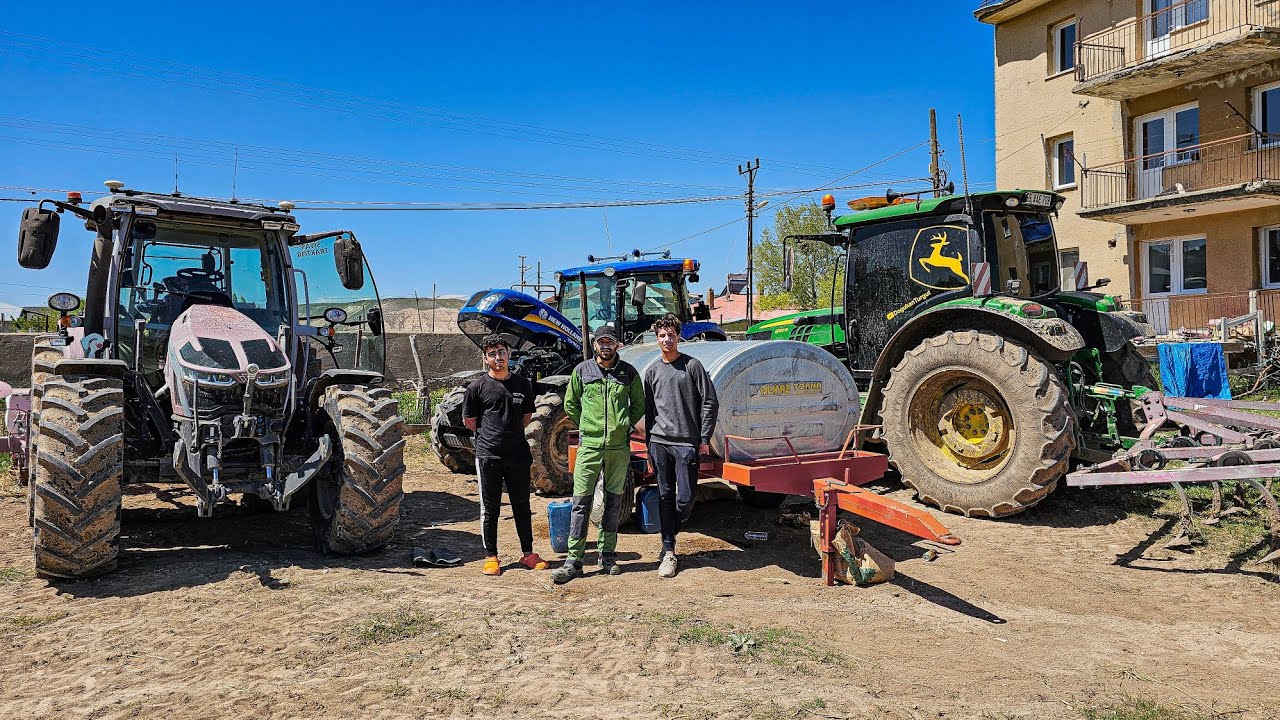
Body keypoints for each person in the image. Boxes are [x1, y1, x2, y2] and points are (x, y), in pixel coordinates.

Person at [551, 324, 645, 584]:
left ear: (617, 345)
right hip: (590, 446)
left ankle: (607, 555)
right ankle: (574, 560)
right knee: (581, 502)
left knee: (613, 502)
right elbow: (571, 403)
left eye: (610, 342)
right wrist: (588, 426)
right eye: (601, 341)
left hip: (617, 448)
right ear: (595, 345)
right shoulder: (582, 371)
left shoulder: (628, 373)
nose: (606, 346)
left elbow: (638, 404)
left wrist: (622, 425)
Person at [462, 333, 549, 576]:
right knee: (490, 509)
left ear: (509, 355)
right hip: (489, 456)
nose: (497, 358)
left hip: (518, 456)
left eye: (501, 352)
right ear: (485, 358)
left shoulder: (523, 385)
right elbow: (470, 421)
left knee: (522, 505)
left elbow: (526, 417)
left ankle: (528, 554)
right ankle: (491, 557)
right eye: (492, 354)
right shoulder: (476, 388)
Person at [643, 313, 718, 579]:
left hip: (686, 442)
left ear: (678, 337)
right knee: (664, 495)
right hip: (659, 442)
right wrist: (648, 444)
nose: (666, 340)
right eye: (662, 336)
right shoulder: (651, 372)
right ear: (657, 339)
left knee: (685, 498)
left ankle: (668, 535)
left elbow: (710, 401)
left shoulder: (692, 367)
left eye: (671, 335)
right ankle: (669, 550)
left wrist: (704, 438)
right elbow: (650, 411)